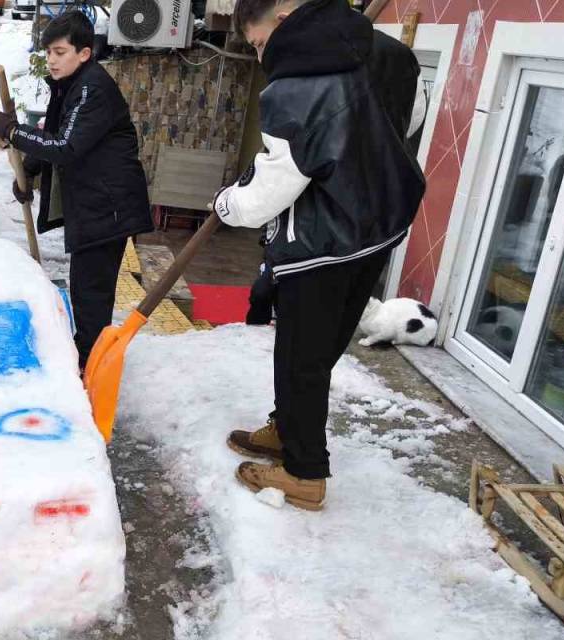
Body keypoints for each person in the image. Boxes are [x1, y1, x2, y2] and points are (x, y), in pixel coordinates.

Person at [214, 0, 425, 511]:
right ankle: (287, 427)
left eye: (261, 42)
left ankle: (305, 471)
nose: (262, 56)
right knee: (318, 347)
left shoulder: (296, 86)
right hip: (377, 226)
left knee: (301, 357)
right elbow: (410, 121)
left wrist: (227, 204)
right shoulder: (392, 53)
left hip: (325, 242)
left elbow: (274, 187)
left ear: (284, 20)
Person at [0, 11, 153, 369]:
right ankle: (87, 356)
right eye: (48, 52)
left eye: (60, 52)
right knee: (84, 290)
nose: (51, 59)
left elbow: (66, 145)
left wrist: (15, 133)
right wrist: (30, 170)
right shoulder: (71, 86)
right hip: (95, 203)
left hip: (108, 206)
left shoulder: (92, 88)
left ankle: (90, 368)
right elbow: (62, 137)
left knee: (91, 294)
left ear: (84, 52)